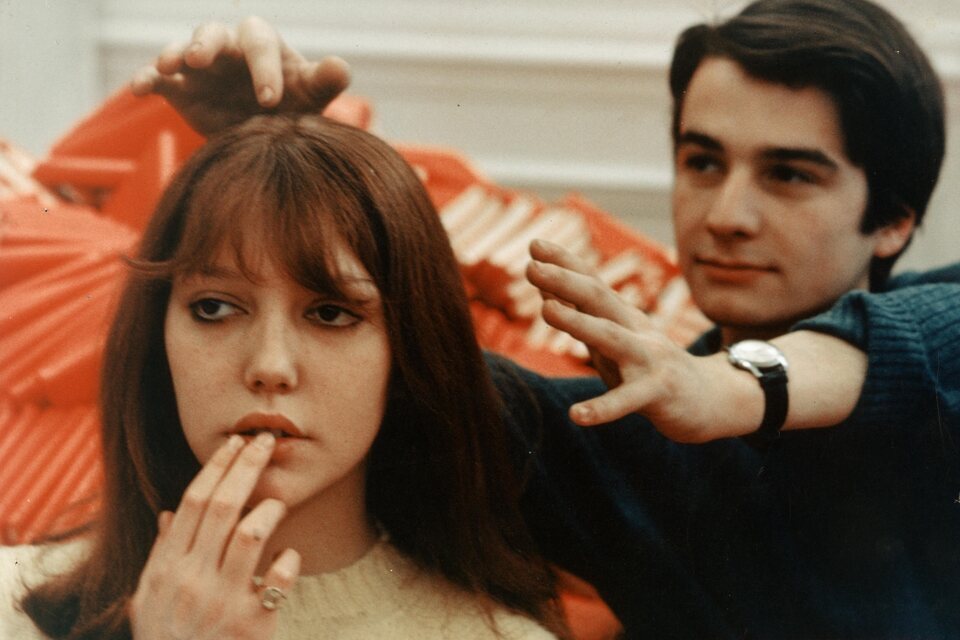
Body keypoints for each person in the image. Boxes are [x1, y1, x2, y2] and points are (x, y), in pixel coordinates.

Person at [68, 1, 960, 637]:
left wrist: (735, 388)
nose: (727, 211)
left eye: (789, 174)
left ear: (895, 219)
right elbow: (382, 346)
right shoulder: (613, 437)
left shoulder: (934, 369)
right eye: (701, 160)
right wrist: (271, 162)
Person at [0, 115, 567, 639]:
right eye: (215, 308)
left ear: (408, 350)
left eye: (329, 314)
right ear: (156, 338)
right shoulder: (12, 600)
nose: (270, 366)